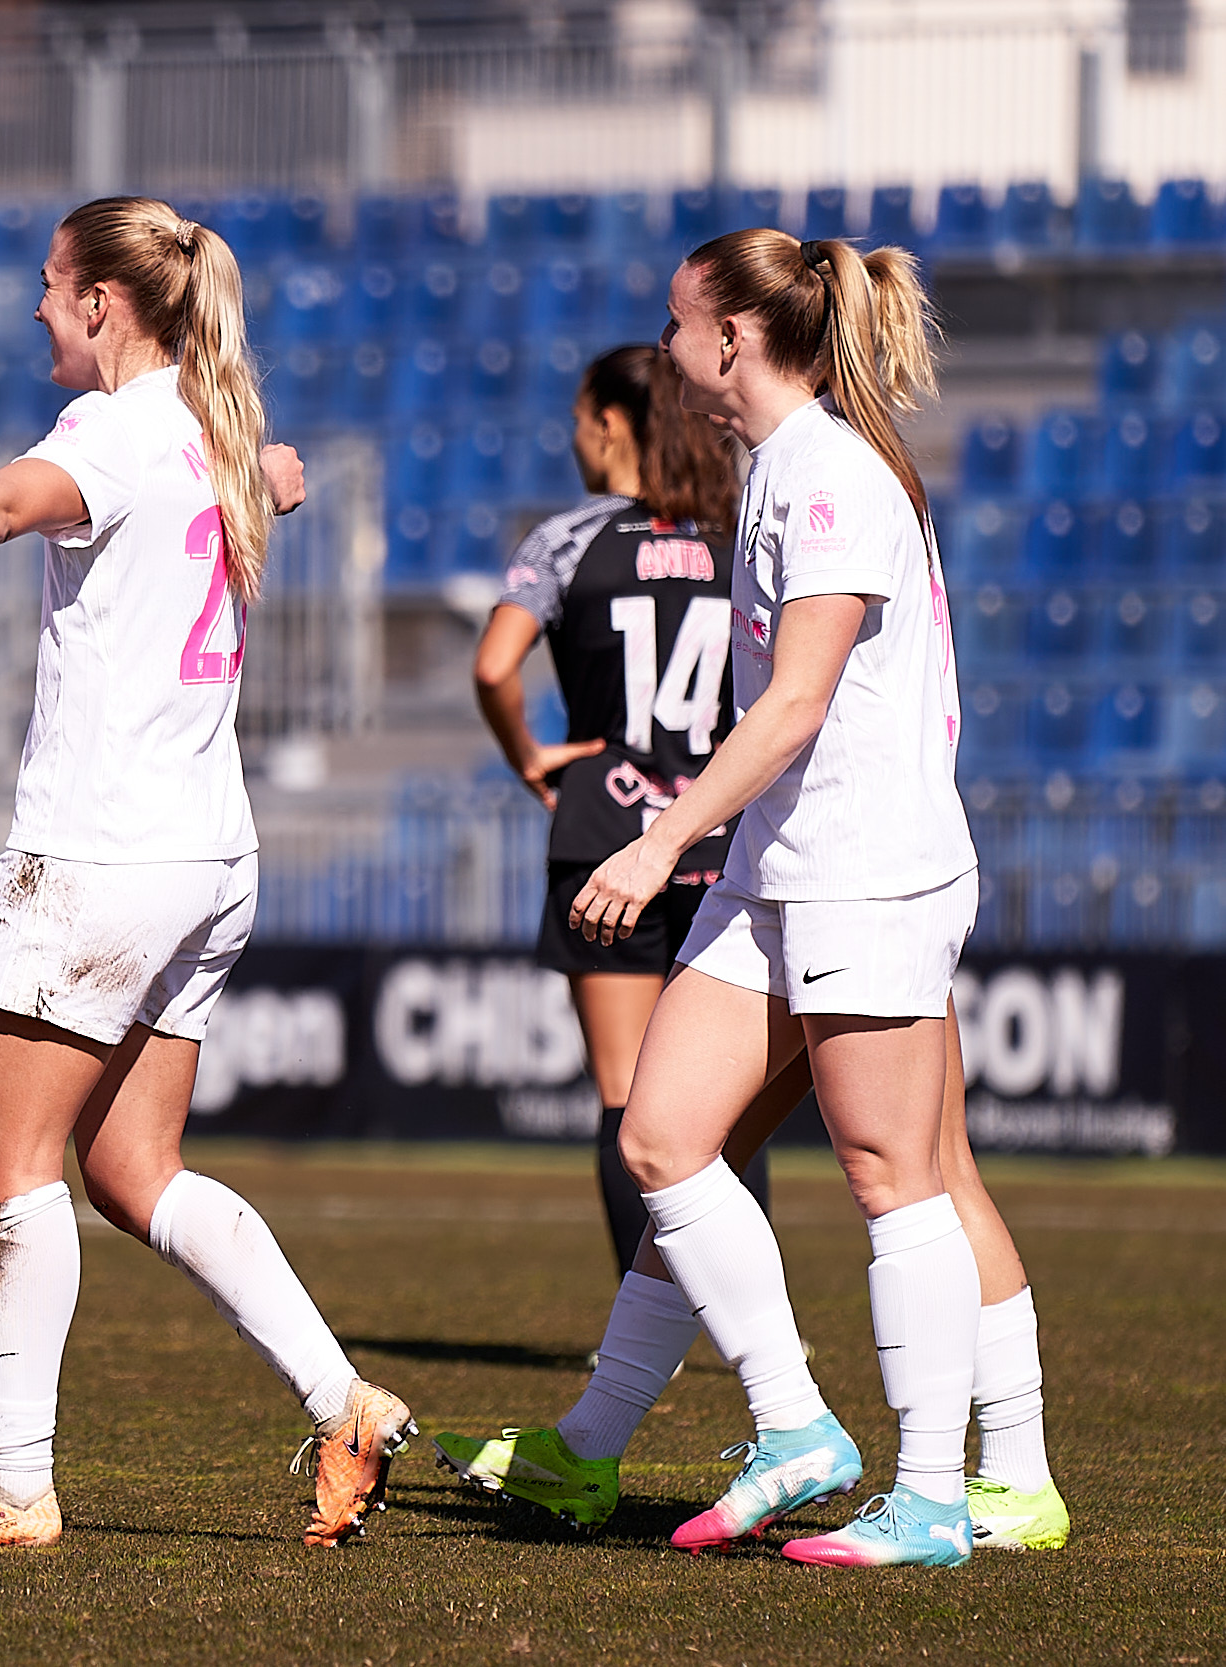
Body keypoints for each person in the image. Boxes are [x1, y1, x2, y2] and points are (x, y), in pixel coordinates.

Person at [0, 196, 409, 1552]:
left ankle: (15, 1480)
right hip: (210, 848)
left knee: (8, 1154)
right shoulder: (216, 427)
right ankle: (345, 1400)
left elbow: (18, 496)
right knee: (136, 1167)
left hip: (101, 848)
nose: (37, 306)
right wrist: (275, 474)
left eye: (49, 284)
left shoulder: (113, 428)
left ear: (102, 305)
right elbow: (257, 480)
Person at [514, 228, 1022, 1568]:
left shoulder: (833, 476)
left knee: (888, 1173)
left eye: (679, 321)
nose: (670, 344)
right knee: (665, 1136)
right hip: (776, 871)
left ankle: (932, 1494)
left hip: (866, 869)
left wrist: (655, 841)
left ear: (729, 336)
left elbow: (798, 700)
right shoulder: (782, 467)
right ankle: (797, 1421)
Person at [431, 1004, 1067, 1553]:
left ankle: (968, 1475)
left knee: (915, 1163)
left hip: (842, 887)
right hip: (774, 885)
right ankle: (592, 1439)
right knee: (683, 1158)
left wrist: (660, 852)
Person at [469, 342, 773, 1279]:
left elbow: (492, 665)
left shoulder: (568, 540)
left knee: (623, 1091)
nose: (575, 438)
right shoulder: (740, 535)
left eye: (578, 421)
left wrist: (527, 754)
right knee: (729, 1108)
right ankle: (740, 1310)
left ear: (608, 423)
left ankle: (641, 1331)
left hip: (608, 830)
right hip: (721, 834)